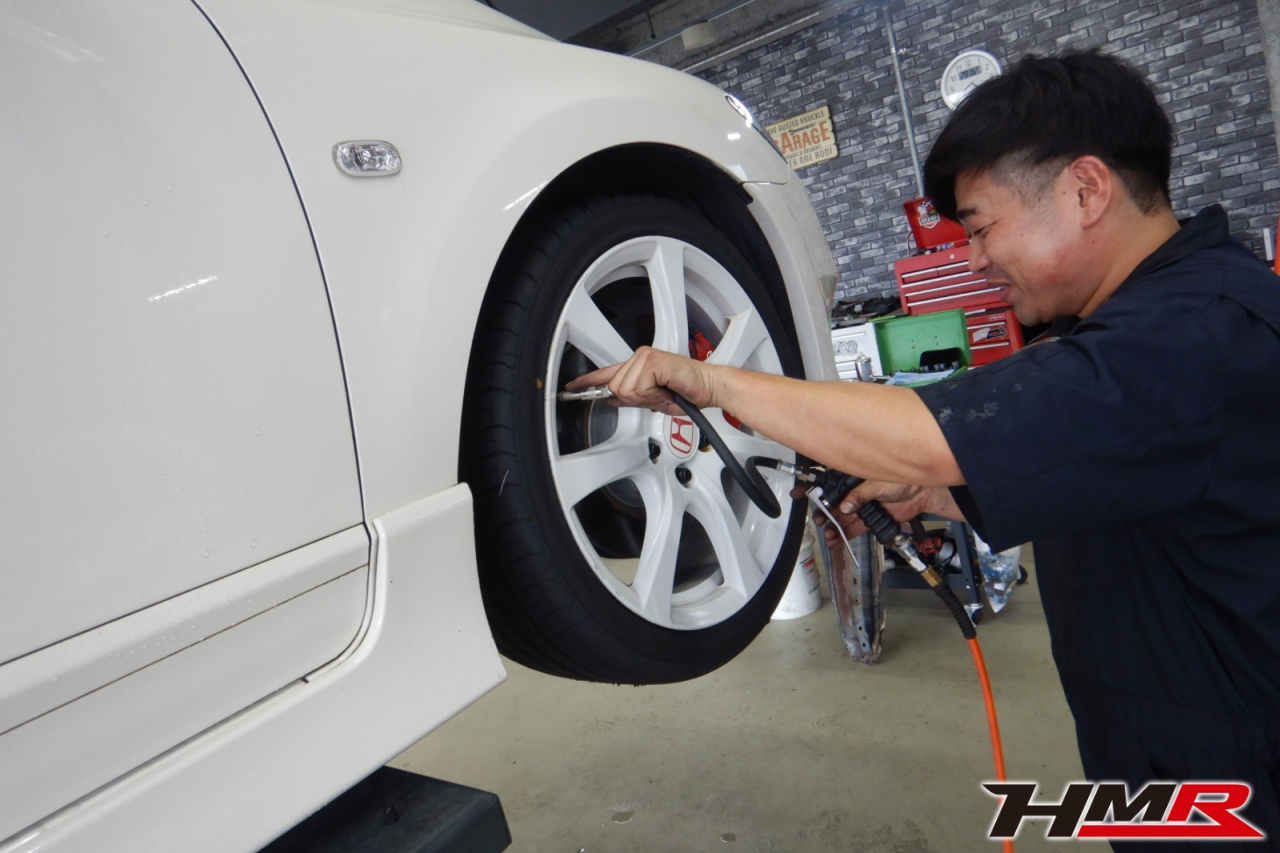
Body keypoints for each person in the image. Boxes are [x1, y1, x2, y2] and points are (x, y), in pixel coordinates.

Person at [566, 48, 1280, 849]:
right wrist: (942, 493)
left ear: (1086, 190)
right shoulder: (1159, 318)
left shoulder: (1192, 336)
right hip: (1175, 753)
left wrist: (711, 381)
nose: (974, 260)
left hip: (1245, 776)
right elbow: (1123, 476)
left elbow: (929, 429)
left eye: (982, 227)